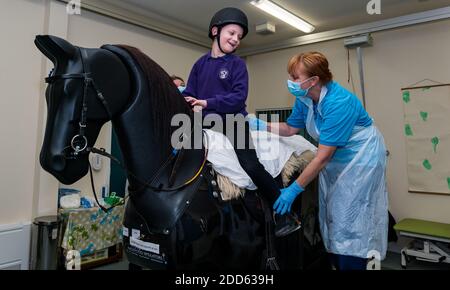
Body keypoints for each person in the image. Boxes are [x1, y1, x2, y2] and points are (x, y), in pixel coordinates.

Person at [249, 51, 388, 270]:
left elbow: (322, 157)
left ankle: (358, 263)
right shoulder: (305, 97)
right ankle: (336, 261)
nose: (291, 82)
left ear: (313, 80)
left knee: (354, 216)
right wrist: (259, 124)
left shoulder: (339, 103)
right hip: (335, 159)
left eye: (296, 77)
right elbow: (290, 129)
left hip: (362, 159)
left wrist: (294, 189)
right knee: (331, 212)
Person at [182, 7, 301, 237]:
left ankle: (283, 213)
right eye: (232, 33)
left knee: (251, 165)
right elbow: (190, 91)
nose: (236, 39)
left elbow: (238, 97)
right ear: (215, 31)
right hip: (206, 123)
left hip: (233, 121)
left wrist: (205, 103)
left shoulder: (237, 65)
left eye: (239, 37)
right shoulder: (200, 64)